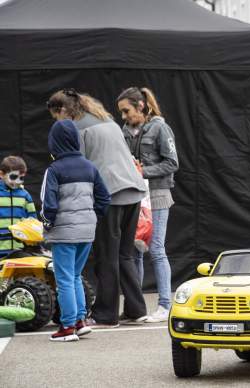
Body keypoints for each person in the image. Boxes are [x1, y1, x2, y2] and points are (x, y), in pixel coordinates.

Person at [47, 89, 149, 328]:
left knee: (106, 256)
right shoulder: (108, 121)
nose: (57, 123)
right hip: (133, 191)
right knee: (125, 254)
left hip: (110, 195)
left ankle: (106, 314)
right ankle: (136, 309)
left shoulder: (78, 129)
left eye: (55, 117)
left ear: (62, 110)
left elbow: (75, 167)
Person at [40, 120, 111, 341]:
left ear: (55, 143)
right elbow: (104, 198)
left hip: (63, 232)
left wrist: (46, 223)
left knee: (64, 279)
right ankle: (80, 321)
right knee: (75, 276)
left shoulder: (54, 169)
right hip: (87, 229)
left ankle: (68, 326)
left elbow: (48, 203)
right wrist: (91, 217)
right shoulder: (90, 166)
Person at [117, 87, 179, 323]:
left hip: (158, 194)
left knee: (156, 249)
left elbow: (173, 162)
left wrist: (144, 170)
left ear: (140, 106)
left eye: (126, 111)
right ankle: (136, 306)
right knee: (134, 251)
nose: (123, 116)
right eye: (121, 112)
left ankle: (165, 305)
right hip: (135, 196)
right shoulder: (125, 130)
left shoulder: (160, 127)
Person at [0, 156, 37, 257]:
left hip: (19, 250)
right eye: (13, 177)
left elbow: (32, 221)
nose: (17, 181)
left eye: (21, 178)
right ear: (2, 174)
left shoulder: (25, 195)